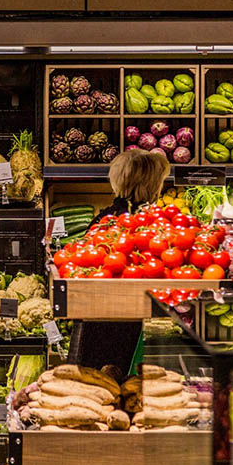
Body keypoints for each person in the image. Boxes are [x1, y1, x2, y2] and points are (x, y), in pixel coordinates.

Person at [68, 148, 170, 371]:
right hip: (140, 327)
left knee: (97, 385)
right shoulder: (157, 227)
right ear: (153, 185)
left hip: (99, 324)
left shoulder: (103, 222)